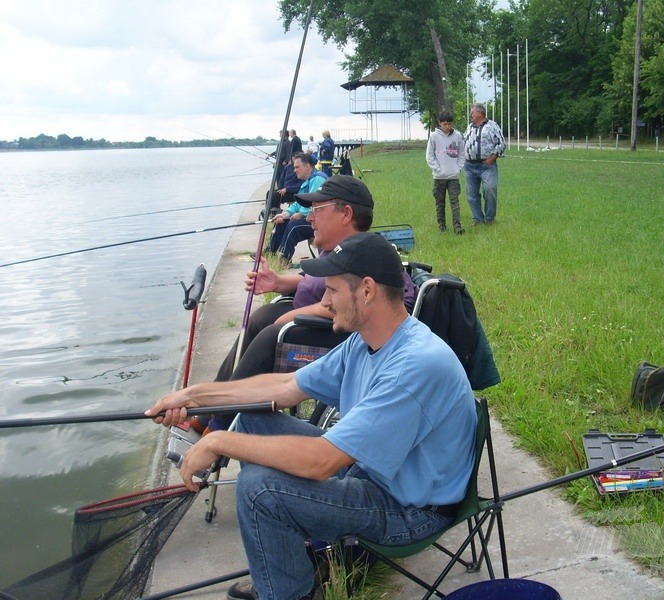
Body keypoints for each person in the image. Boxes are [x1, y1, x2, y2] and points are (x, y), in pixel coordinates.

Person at [147, 232, 477, 600]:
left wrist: (219, 440)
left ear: (366, 291)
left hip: (409, 510)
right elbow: (286, 386)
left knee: (261, 490)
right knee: (253, 420)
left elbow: (322, 463)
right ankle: (285, 569)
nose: (324, 301)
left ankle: (292, 591)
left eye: (333, 290)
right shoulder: (367, 339)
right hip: (373, 472)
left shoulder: (414, 366)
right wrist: (195, 396)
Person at [198, 175, 417, 433]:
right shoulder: (334, 250)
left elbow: (344, 303)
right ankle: (208, 411)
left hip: (350, 333)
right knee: (262, 318)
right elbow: (315, 281)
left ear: (346, 214)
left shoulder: (361, 255)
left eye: (317, 210)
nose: (309, 217)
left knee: (272, 334)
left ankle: (219, 423)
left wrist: (291, 317)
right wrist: (278, 282)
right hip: (324, 320)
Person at [268, 153, 327, 263]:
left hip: (321, 222)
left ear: (307, 166)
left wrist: (301, 214)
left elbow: (312, 202)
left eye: (297, 167)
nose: (294, 170)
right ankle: (269, 253)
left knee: (294, 227)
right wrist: (285, 214)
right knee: (282, 222)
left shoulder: (318, 179)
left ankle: (283, 260)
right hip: (312, 218)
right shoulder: (307, 181)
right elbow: (298, 203)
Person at [463, 103, 505, 225]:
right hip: (470, 166)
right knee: (471, 193)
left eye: (472, 112)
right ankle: (477, 218)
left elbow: (501, 143)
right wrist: (465, 157)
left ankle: (490, 218)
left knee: (490, 189)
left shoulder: (492, 126)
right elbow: (464, 141)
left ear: (480, 113)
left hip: (486, 166)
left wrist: (493, 157)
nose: (471, 114)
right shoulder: (470, 127)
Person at [426, 110, 466, 234]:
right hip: (439, 177)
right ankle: (442, 226)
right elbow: (429, 156)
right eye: (445, 124)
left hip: (453, 176)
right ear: (440, 123)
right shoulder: (434, 136)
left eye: (450, 124)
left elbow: (462, 154)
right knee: (440, 202)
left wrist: (458, 168)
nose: (447, 127)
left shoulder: (458, 136)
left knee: (455, 202)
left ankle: (457, 226)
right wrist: (437, 169)